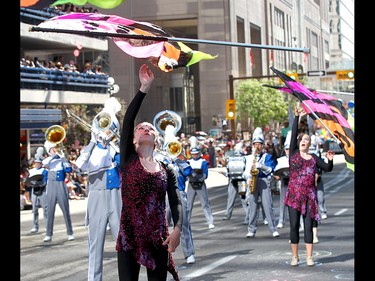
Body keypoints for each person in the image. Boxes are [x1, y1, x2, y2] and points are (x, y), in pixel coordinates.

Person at [116, 64, 183, 281]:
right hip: (130, 237)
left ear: (156, 139)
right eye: (141, 128)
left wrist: (177, 229)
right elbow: (128, 120)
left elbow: (176, 201)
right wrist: (144, 88)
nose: (146, 128)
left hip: (158, 239)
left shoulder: (166, 169)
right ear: (134, 139)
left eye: (150, 128)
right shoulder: (128, 159)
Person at [75, 97, 122, 281]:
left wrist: (113, 144)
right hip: (96, 196)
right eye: (103, 126)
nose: (105, 131)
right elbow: (80, 165)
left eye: (109, 127)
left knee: (122, 242)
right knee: (95, 241)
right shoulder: (91, 150)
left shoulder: (116, 149)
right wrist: (94, 142)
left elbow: (123, 164)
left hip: (116, 196)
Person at [284, 111, 334, 267]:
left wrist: (330, 160)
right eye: (302, 139)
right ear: (298, 143)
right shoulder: (293, 154)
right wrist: (298, 117)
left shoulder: (314, 158)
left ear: (310, 143)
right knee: (293, 226)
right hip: (293, 197)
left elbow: (327, 168)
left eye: (307, 139)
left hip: (309, 198)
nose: (304, 141)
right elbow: (293, 134)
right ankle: (295, 256)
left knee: (308, 227)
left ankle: (309, 257)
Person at [242, 128, 279, 238]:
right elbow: (244, 172)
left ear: (262, 146)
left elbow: (270, 170)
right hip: (252, 181)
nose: (257, 147)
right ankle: (251, 229)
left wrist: (261, 166)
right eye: (255, 144)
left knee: (267, 205)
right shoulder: (248, 158)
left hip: (263, 181)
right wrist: (247, 178)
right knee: (252, 206)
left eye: (259, 144)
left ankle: (273, 229)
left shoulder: (267, 157)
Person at [163, 152, 196, 264]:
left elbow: (189, 172)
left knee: (184, 224)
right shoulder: (160, 160)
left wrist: (178, 160)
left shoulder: (181, 162)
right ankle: (161, 254)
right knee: (161, 225)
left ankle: (189, 253)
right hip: (163, 195)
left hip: (179, 193)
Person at [42, 140, 75, 242]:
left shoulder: (62, 160)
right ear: (49, 151)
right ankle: (48, 234)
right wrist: (53, 155)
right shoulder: (48, 161)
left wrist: (63, 156)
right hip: (51, 186)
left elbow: (69, 170)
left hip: (61, 185)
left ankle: (70, 233)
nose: (55, 150)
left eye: (55, 148)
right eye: (52, 149)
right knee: (50, 211)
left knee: (65, 210)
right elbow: (44, 164)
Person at [186, 147, 215, 230]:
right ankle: (186, 222)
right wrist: (190, 174)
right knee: (188, 204)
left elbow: (205, 174)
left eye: (196, 154)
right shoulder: (189, 162)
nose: (194, 155)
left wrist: (197, 176)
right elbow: (185, 172)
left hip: (200, 184)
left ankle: (210, 222)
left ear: (199, 154)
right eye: (193, 154)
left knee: (205, 203)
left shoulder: (203, 162)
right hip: (191, 184)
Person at [222, 153, 248, 222]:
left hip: (242, 182)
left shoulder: (245, 161)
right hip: (233, 181)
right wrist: (225, 174)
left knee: (244, 200)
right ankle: (227, 214)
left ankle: (248, 217)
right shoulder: (231, 162)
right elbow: (228, 171)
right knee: (230, 199)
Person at [274, 131, 292, 229]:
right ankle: (281, 220)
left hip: (295, 184)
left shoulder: (297, 158)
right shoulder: (281, 160)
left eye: (290, 149)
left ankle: (300, 221)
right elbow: (277, 171)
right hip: (285, 182)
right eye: (287, 149)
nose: (288, 151)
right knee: (283, 202)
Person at [27, 152, 48, 233]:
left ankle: (47, 226)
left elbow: (45, 181)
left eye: (38, 163)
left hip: (42, 190)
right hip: (34, 190)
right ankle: (35, 226)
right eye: (36, 163)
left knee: (45, 209)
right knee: (34, 209)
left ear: (41, 163)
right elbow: (28, 181)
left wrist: (39, 184)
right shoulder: (31, 171)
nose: (37, 164)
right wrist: (31, 183)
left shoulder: (44, 171)